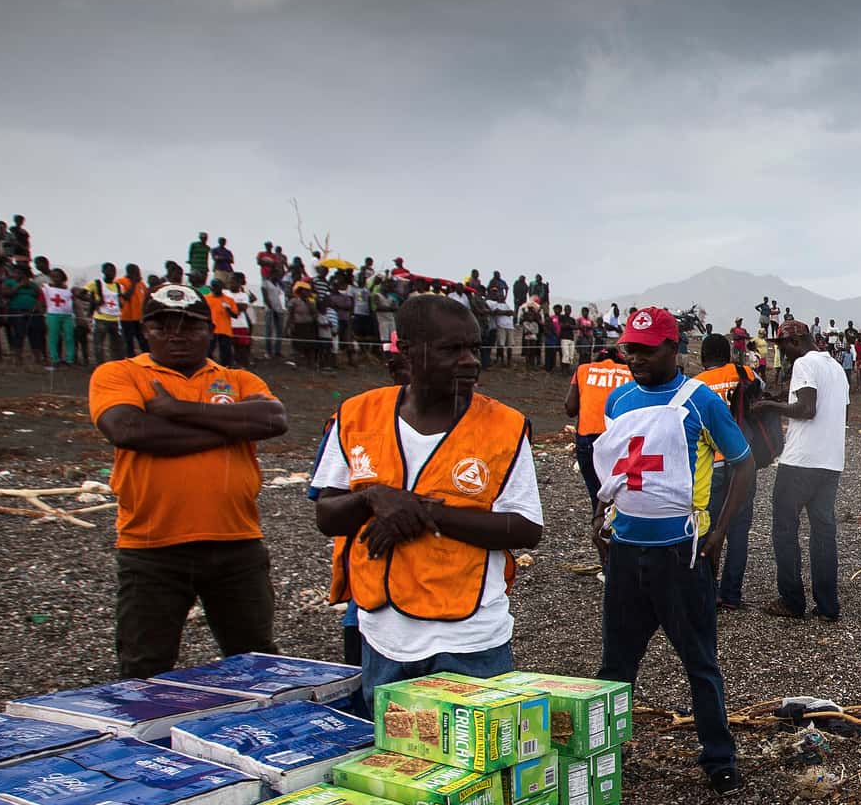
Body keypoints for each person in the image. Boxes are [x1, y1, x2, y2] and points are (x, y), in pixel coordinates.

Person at [314, 295, 542, 701]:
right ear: (407, 351)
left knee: (481, 758)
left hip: (469, 638)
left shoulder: (504, 426)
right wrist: (373, 498)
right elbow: (327, 516)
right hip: (382, 634)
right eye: (451, 350)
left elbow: (525, 528)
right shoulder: (356, 415)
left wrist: (422, 511)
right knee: (394, 759)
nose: (470, 360)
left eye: (475, 347)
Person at [590, 307, 753, 793]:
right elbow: (617, 465)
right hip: (626, 551)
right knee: (616, 663)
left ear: (673, 348)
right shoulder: (618, 400)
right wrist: (602, 514)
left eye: (647, 348)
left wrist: (720, 531)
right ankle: (604, 755)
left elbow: (743, 465)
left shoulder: (700, 400)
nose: (635, 357)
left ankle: (719, 757)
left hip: (680, 553)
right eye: (630, 348)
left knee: (699, 660)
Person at [89, 284, 289, 677]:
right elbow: (129, 429)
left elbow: (273, 419)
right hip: (152, 546)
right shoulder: (120, 373)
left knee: (256, 659)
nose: (176, 334)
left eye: (190, 325)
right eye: (163, 326)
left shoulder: (237, 378)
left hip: (236, 542)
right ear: (145, 330)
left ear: (210, 330)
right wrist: (230, 428)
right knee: (145, 664)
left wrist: (175, 409)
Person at [762, 319, 846, 622]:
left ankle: (792, 601)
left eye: (783, 346)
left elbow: (807, 410)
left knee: (785, 530)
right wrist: (780, 400)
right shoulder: (836, 368)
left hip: (800, 461)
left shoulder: (804, 364)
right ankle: (827, 606)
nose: (782, 352)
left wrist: (768, 407)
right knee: (823, 532)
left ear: (795, 342)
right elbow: (831, 411)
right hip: (831, 461)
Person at [694, 332, 769, 610]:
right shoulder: (745, 373)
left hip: (711, 463)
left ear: (703, 358)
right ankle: (731, 594)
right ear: (728, 354)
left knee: (708, 527)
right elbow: (760, 395)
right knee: (739, 530)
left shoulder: (695, 385)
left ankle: (706, 590)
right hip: (743, 462)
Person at [566, 338, 634, 508]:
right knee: (621, 490)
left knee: (596, 491)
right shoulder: (630, 372)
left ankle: (599, 522)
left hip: (587, 437)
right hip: (620, 437)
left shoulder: (583, 370)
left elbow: (570, 408)